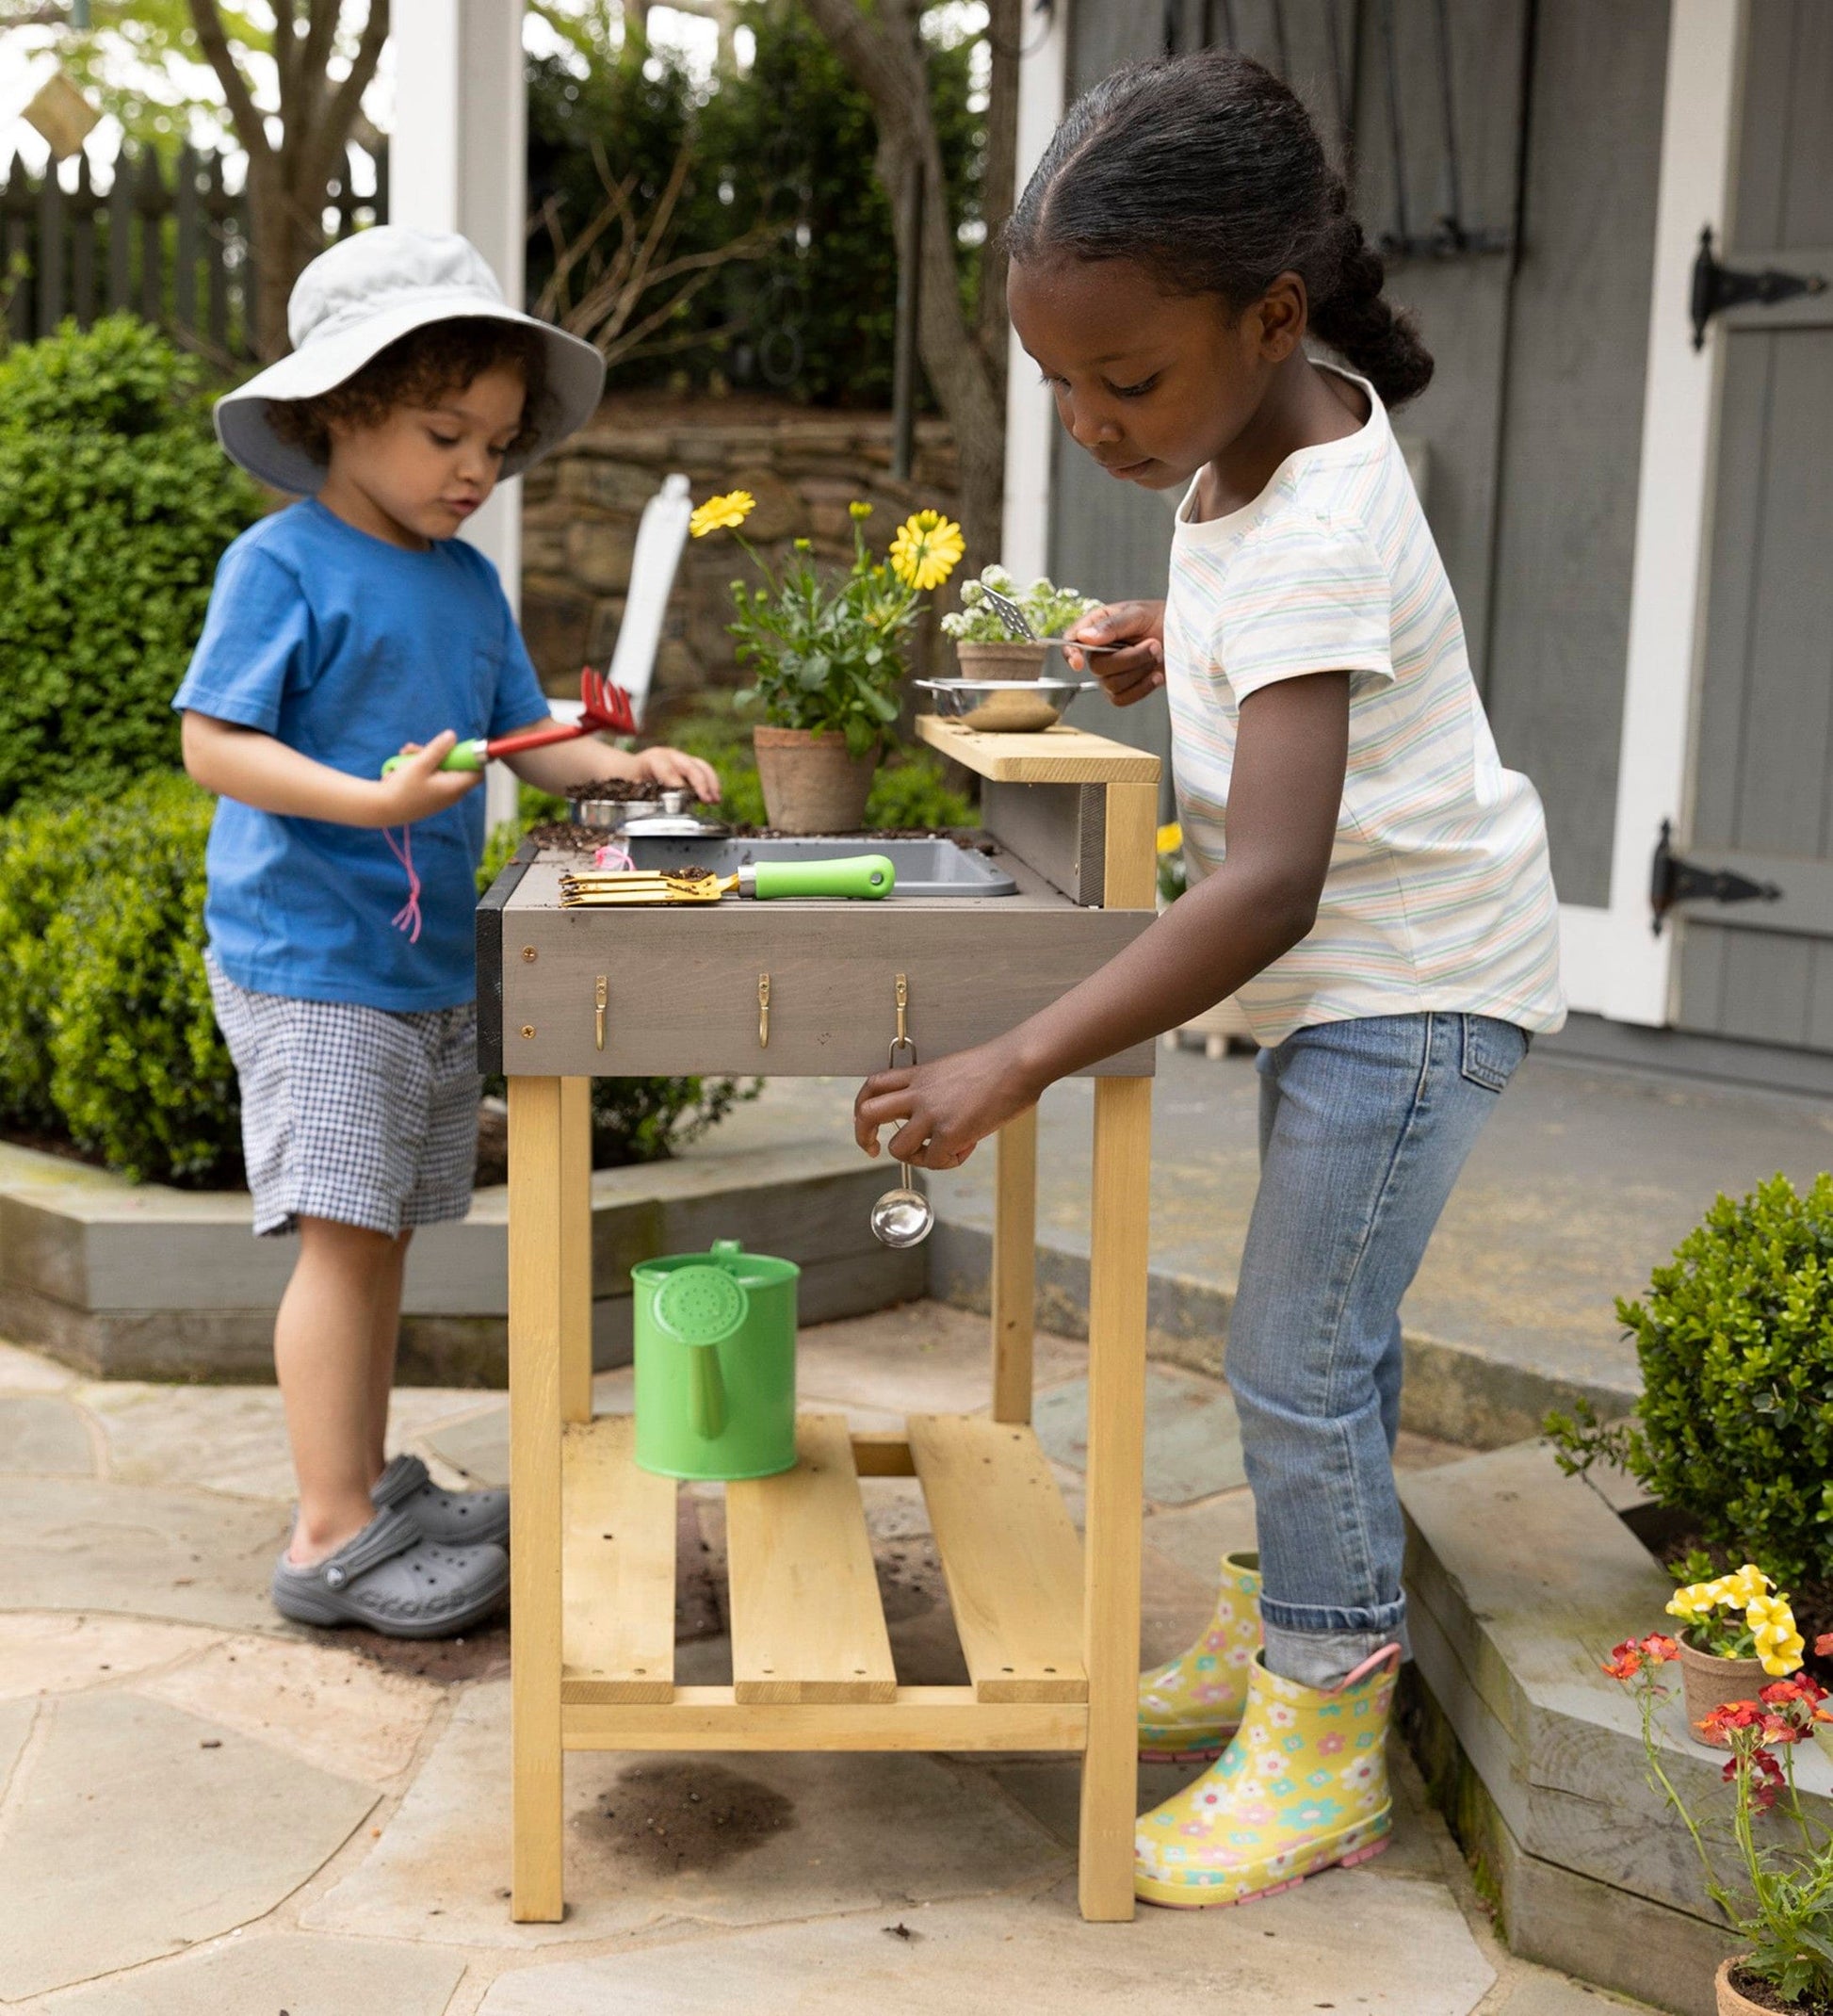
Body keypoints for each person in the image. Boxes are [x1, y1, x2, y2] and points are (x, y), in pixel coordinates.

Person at [853, 50, 1564, 1907]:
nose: (1091, 423)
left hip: (1405, 980)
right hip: (1370, 974)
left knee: (1292, 1350)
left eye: (1126, 379)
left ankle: (1324, 1736)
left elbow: (1262, 883)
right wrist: (1187, 635)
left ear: (1267, 311)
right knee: (1313, 1342)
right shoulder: (1263, 431)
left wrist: (1014, 1055)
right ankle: (1299, 1640)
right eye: (1058, 383)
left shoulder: (1308, 511)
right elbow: (1296, 636)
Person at [175, 227, 719, 1638]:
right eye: (440, 434)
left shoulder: (465, 581)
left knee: (388, 1238)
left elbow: (521, 740)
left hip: (415, 964)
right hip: (311, 960)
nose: (474, 471)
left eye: (495, 443)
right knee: (341, 1244)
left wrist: (620, 768)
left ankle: (363, 1482)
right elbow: (212, 744)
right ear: (338, 409)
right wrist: (365, 801)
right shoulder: (279, 565)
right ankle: (329, 1535)